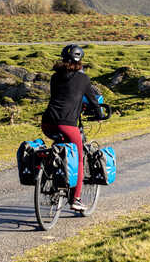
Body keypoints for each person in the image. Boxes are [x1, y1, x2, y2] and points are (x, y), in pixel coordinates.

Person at [41, 44, 103, 212]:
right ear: (80, 60)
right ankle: (76, 199)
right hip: (67, 123)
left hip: (47, 122)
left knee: (59, 144)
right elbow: (93, 100)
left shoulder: (55, 77)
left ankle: (51, 171)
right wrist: (99, 114)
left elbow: (62, 96)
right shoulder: (83, 79)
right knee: (80, 156)